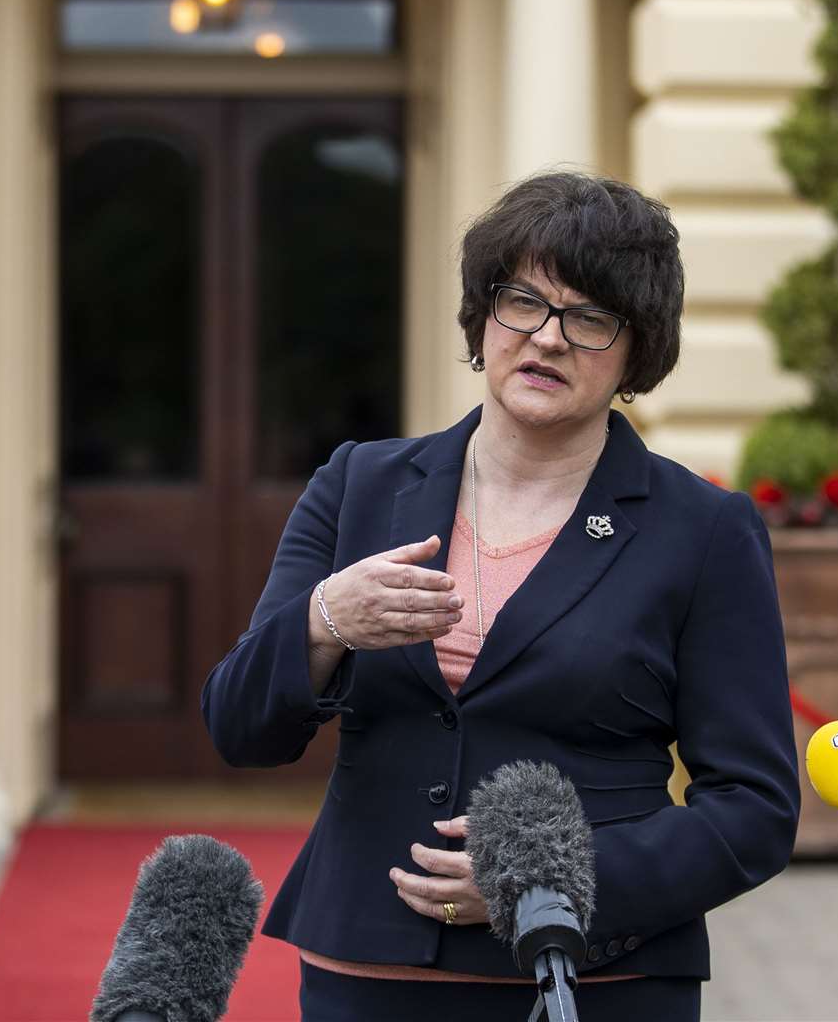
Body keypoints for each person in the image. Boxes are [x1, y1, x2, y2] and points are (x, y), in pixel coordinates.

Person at [201, 171, 799, 1021]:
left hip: (597, 979)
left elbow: (755, 809)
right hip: (366, 974)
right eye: (523, 301)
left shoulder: (702, 529)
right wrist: (325, 621)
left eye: (591, 318)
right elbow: (239, 729)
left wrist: (554, 885)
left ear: (639, 352)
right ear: (483, 318)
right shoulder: (358, 485)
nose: (548, 339)